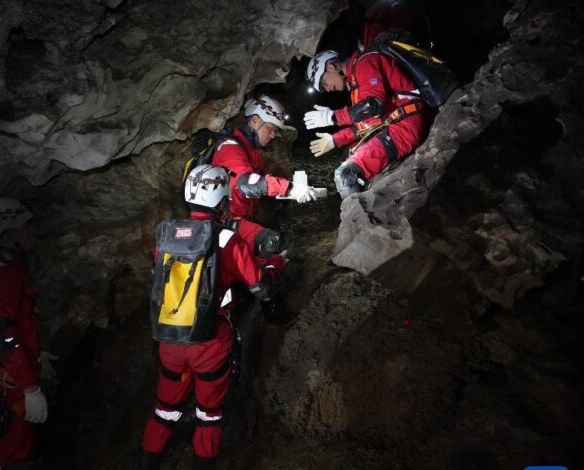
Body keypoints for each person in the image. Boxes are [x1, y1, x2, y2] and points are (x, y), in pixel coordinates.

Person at [140, 165, 283, 470]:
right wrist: (274, 265)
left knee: (165, 409)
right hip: (210, 342)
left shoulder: (166, 237)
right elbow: (261, 287)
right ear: (222, 202)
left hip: (170, 339)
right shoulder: (227, 240)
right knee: (209, 415)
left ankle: (147, 463)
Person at [0, 197, 53, 470]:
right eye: (26, 225)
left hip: (9, 377)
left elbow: (15, 326)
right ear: (10, 231)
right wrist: (30, 388)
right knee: (12, 455)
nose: (32, 230)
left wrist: (35, 354)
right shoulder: (2, 275)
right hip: (11, 386)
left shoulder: (6, 268)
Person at [303, 49, 431, 199]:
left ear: (331, 66)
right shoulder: (355, 83)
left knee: (346, 174)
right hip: (394, 123)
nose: (328, 89)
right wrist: (334, 140)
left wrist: (332, 117)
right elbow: (367, 123)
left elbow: (372, 107)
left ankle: (357, 213)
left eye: (324, 83)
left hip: (405, 125)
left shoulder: (366, 62)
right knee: (347, 156)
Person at [211, 95, 318, 258]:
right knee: (268, 244)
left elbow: (262, 182)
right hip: (223, 224)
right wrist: (289, 188)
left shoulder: (251, 152)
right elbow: (248, 183)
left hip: (241, 219)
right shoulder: (230, 149)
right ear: (255, 121)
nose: (273, 135)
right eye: (271, 128)